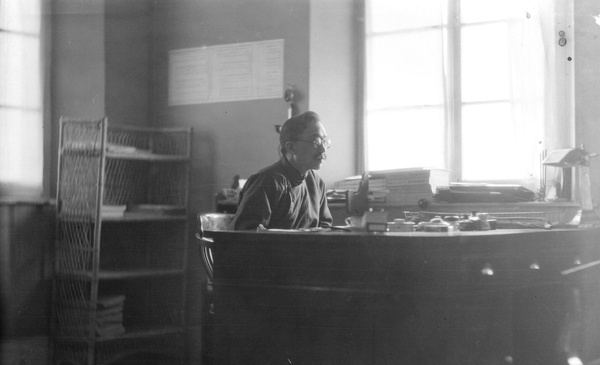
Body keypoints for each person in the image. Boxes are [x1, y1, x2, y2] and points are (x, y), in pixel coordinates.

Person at [232, 111, 333, 230]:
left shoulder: (317, 183)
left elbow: (325, 229)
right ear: (291, 147)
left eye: (324, 141)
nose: (323, 150)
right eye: (316, 141)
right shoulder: (266, 182)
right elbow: (245, 235)